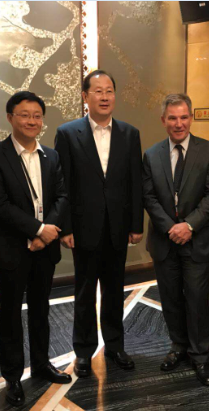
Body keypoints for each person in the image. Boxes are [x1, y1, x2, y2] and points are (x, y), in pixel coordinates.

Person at [0, 91, 71, 407]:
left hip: (45, 248)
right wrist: (37, 230)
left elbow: (62, 197)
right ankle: (13, 376)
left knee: (41, 309)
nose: (32, 121)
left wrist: (47, 233)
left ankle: (42, 364)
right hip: (12, 248)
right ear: (10, 117)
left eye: (37, 115)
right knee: (10, 315)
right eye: (24, 115)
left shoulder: (51, 156)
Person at [54, 70, 144, 378]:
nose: (105, 97)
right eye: (98, 91)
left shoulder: (130, 134)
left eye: (109, 91)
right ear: (85, 96)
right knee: (84, 292)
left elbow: (135, 182)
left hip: (118, 227)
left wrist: (136, 224)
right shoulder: (68, 133)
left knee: (114, 291)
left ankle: (116, 346)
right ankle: (83, 351)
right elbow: (63, 184)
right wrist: (65, 227)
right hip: (83, 228)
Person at [143, 93, 209, 386]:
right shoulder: (152, 154)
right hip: (164, 242)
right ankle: (178, 346)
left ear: (192, 118)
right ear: (163, 120)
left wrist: (189, 225)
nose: (179, 124)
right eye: (173, 118)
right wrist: (171, 228)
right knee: (171, 298)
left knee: (197, 300)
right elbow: (149, 197)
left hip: (196, 240)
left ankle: (200, 355)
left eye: (184, 117)